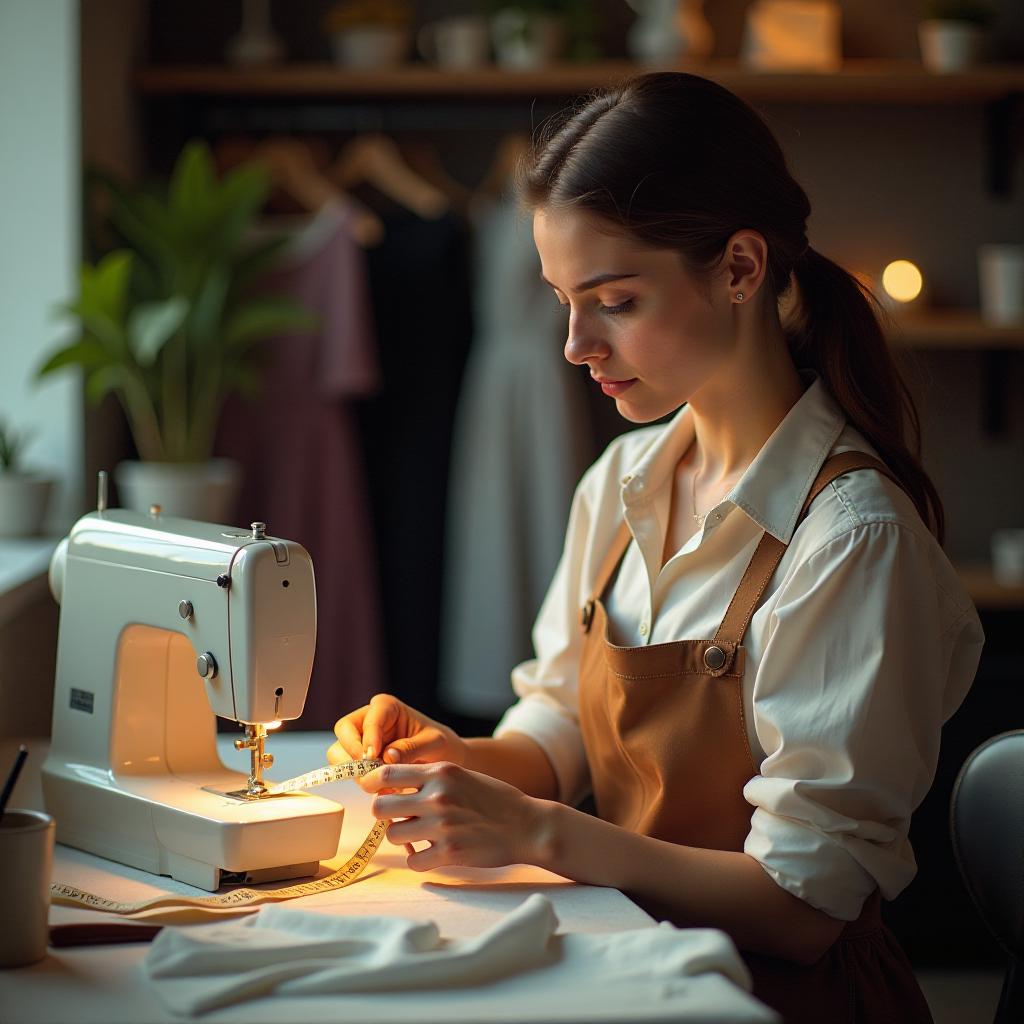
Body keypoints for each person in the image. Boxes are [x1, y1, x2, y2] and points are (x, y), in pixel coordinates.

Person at [329, 72, 985, 1023]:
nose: (574, 344)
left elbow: (803, 908)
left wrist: (545, 835)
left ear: (740, 269)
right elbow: (556, 737)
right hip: (632, 973)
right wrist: (458, 761)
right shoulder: (622, 481)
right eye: (561, 300)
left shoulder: (850, 539)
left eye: (615, 301)